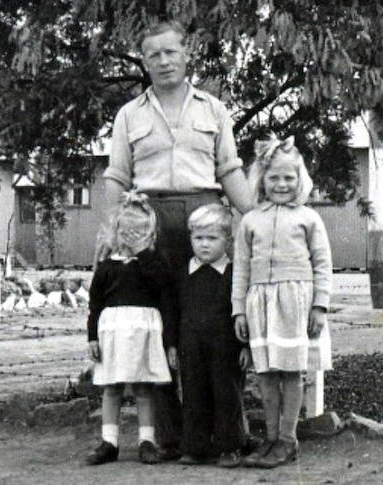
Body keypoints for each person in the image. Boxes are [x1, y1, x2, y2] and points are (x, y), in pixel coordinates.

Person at [102, 20, 255, 459]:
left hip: (206, 214)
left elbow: (229, 169)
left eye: (171, 52)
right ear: (145, 62)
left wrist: (256, 216)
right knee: (160, 326)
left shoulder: (213, 110)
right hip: (150, 221)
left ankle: (231, 432)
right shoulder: (129, 115)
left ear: (186, 55)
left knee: (218, 320)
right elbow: (117, 176)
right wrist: (116, 235)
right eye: (154, 55)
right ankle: (172, 437)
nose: (163, 61)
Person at [232, 135, 333, 469]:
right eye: (274, 177)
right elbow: (241, 270)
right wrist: (238, 310)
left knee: (292, 372)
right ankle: (271, 438)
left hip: (295, 303)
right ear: (262, 180)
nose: (281, 184)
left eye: (289, 178)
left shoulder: (308, 219)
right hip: (259, 304)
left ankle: (288, 440)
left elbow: (323, 265)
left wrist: (319, 305)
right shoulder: (250, 221)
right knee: (265, 375)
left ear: (300, 180)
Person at [85, 192, 178, 466]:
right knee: (112, 389)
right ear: (116, 231)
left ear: (150, 235)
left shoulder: (154, 264)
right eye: (126, 231)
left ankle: (146, 442)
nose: (132, 237)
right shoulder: (106, 267)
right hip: (112, 335)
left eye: (139, 232)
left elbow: (164, 290)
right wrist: (91, 337)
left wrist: (144, 256)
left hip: (143, 334)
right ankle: (109, 442)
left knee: (143, 388)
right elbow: (95, 304)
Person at [173, 203, 251, 468]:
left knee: (226, 394)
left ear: (227, 240)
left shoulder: (233, 274)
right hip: (191, 346)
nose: (204, 245)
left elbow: (242, 312)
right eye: (198, 238)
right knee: (194, 394)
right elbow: (175, 311)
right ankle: (195, 447)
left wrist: (245, 347)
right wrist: (172, 345)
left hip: (225, 347)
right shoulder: (185, 273)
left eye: (212, 238)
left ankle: (230, 446)